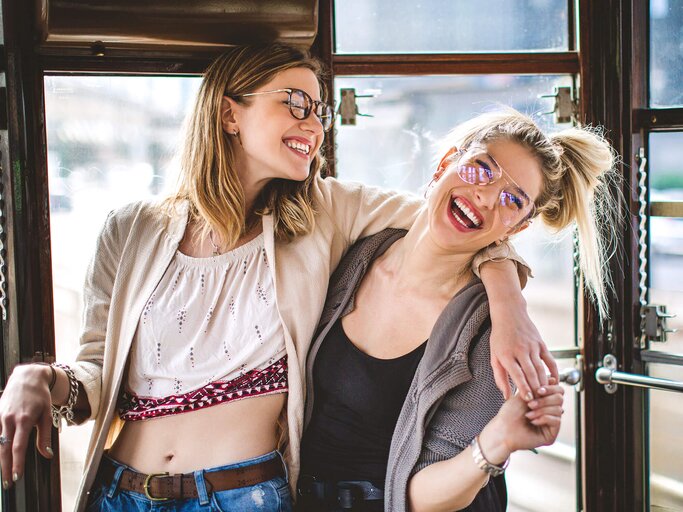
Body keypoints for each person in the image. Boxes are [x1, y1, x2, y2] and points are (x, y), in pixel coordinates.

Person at [0, 45, 550, 512]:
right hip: (119, 491)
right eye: (295, 104)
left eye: (319, 112)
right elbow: (100, 372)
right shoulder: (131, 229)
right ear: (228, 112)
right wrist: (44, 380)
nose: (312, 125)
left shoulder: (324, 213)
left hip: (243, 496)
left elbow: (459, 217)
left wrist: (507, 303)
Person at [298, 108, 618, 512]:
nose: (485, 197)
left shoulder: (490, 337)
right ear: (447, 162)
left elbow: (429, 498)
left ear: (516, 229)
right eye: (482, 169)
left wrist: (496, 441)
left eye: (512, 200)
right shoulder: (357, 251)